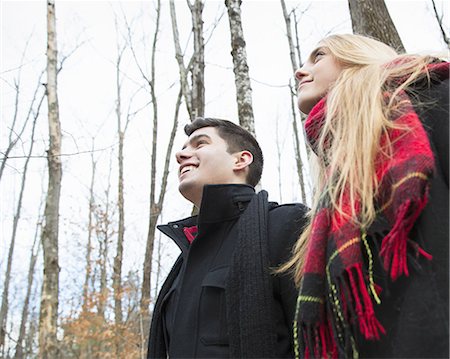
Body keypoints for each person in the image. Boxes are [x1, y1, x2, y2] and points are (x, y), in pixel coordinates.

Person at [281, 34, 449, 358]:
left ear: (358, 56)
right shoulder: (335, 190)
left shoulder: (431, 97)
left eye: (318, 57)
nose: (300, 72)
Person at [147, 117, 308, 358]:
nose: (181, 155)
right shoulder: (185, 259)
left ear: (241, 159)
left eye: (199, 144)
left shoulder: (285, 224)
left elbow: (321, 335)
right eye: (182, 149)